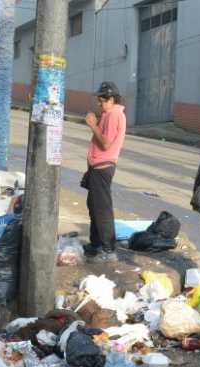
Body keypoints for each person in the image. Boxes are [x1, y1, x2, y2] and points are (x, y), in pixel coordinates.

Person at [82, 82, 127, 263]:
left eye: (102, 101)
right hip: (97, 167)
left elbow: (106, 143)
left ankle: (108, 250)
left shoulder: (114, 115)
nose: (99, 105)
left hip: (103, 167)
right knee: (93, 206)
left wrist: (93, 125)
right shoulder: (109, 114)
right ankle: (96, 244)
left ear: (111, 99)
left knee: (102, 210)